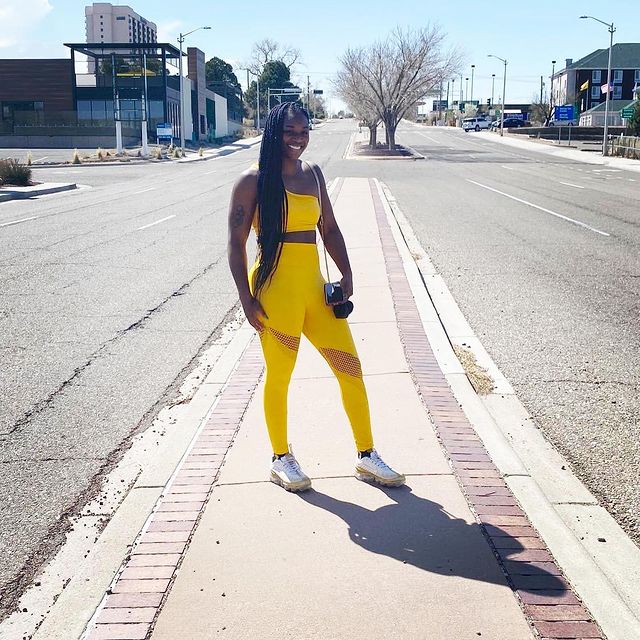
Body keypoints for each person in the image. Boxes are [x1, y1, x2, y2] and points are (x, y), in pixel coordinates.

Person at [227, 102, 404, 492]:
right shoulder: (252, 181)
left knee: (351, 369)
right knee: (280, 375)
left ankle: (366, 456)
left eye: (304, 131)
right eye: (291, 131)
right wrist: (246, 298)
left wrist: (347, 272)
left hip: (314, 290)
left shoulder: (315, 175)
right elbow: (236, 243)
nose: (298, 139)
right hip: (275, 292)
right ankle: (280, 457)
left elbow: (330, 229)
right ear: (275, 131)